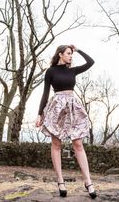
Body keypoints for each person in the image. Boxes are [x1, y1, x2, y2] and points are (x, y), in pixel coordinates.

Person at [35, 44, 97, 199]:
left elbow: (91, 62)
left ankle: (88, 181)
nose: (71, 56)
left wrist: (78, 49)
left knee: (78, 143)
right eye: (69, 53)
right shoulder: (50, 71)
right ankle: (60, 181)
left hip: (73, 107)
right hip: (56, 108)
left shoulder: (72, 70)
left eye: (71, 54)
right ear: (60, 54)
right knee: (56, 144)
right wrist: (39, 114)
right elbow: (45, 93)